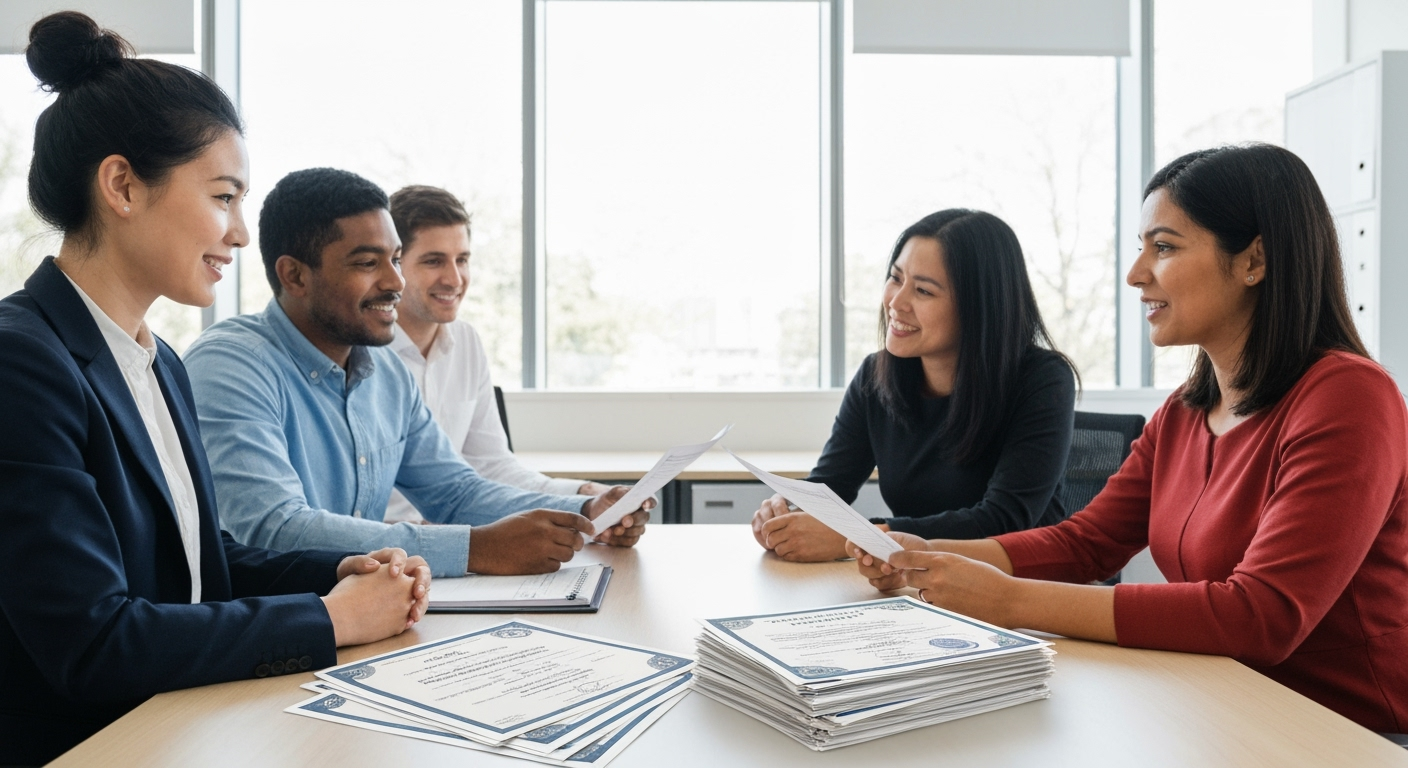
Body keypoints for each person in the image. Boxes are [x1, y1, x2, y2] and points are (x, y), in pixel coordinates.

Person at [850, 144, 1408, 735]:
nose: (1136, 273)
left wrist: (1008, 600)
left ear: (1254, 260)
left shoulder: (1349, 398)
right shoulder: (1185, 411)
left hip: (1351, 733)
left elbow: (1261, 616)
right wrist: (928, 554)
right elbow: (1088, 543)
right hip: (1224, 706)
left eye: (1163, 247)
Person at [0, 14, 430, 764]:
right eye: (224, 197)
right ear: (122, 185)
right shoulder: (21, 363)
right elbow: (95, 641)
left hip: (182, 726)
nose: (239, 235)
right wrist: (331, 620)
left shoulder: (159, 360)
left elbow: (200, 566)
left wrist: (339, 576)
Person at [183, 168, 646, 580]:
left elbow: (455, 491)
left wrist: (585, 512)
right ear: (295, 276)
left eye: (395, 258)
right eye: (368, 263)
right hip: (269, 625)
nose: (394, 282)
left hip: (365, 615)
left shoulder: (383, 370)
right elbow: (274, 529)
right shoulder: (231, 365)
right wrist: (476, 548)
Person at [751, 209, 1077, 562]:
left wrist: (864, 537)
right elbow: (831, 484)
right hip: (921, 582)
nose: (896, 301)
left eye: (922, 290)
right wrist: (788, 510)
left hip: (1020, 588)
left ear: (978, 307)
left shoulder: (1042, 379)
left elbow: (1003, 519)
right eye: (895, 278)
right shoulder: (876, 376)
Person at [381, 185, 607, 524]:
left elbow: (491, 465)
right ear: (395, 265)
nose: (454, 278)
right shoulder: (360, 353)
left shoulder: (466, 342)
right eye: (434, 261)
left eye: (463, 260)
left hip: (455, 537)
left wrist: (582, 495)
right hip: (383, 551)